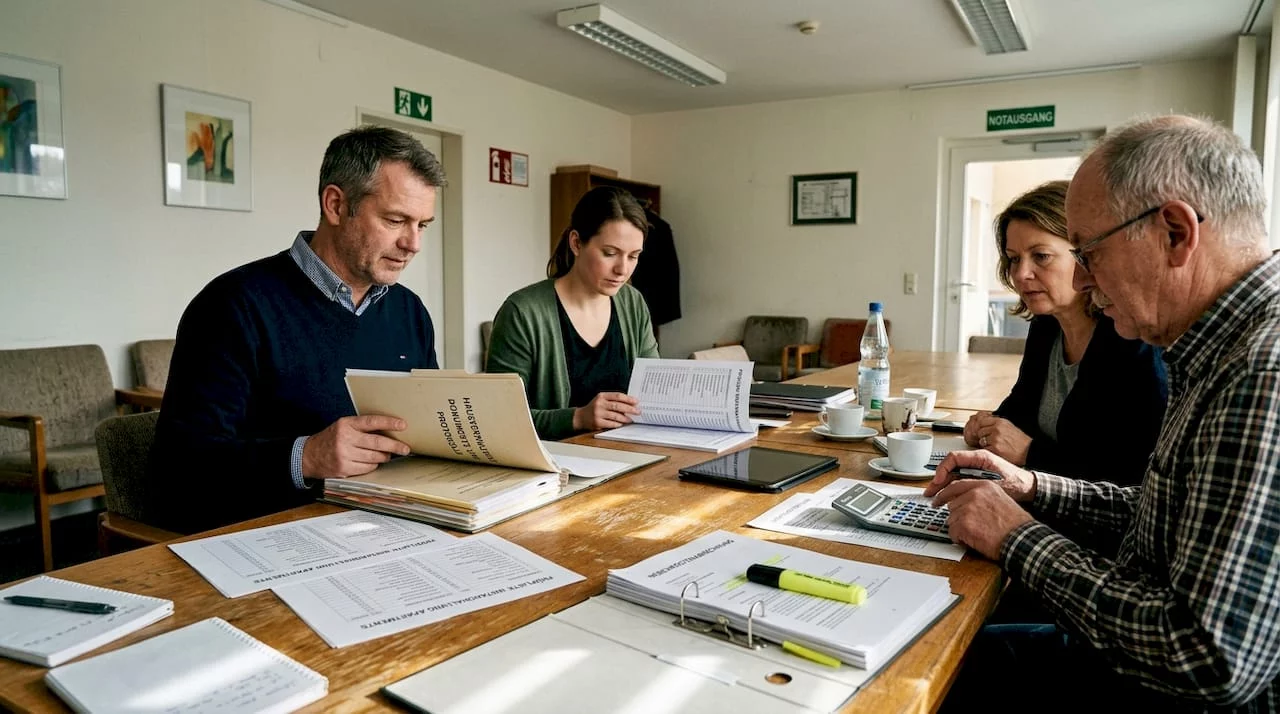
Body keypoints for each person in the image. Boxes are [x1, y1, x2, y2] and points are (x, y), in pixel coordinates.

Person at [930, 115, 1280, 710]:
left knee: (930, 665)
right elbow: (1159, 510)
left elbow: (1204, 659)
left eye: (1089, 251)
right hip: (1129, 644)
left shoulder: (1261, 371)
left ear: (1174, 232)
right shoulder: (1213, 347)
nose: (1085, 279)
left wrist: (1016, 535)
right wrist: (1034, 485)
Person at [147, 126, 446, 533]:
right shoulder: (232, 306)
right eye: (396, 220)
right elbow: (180, 469)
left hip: (388, 526)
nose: (413, 244)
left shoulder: (410, 311)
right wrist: (305, 457)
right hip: (268, 538)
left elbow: (423, 434)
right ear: (336, 205)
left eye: (423, 225)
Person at [963, 181, 1167, 482]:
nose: (1021, 274)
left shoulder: (1132, 340)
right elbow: (1022, 405)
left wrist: (1029, 453)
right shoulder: (1047, 325)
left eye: (1041, 256)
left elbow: (1130, 473)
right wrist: (989, 425)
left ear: (1086, 255)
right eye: (1014, 258)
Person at [487, 186, 658, 439]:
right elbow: (499, 417)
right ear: (576, 243)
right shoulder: (523, 312)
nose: (623, 269)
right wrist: (577, 417)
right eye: (610, 253)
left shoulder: (633, 304)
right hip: (551, 469)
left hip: (628, 458)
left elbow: (653, 389)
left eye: (633, 256)